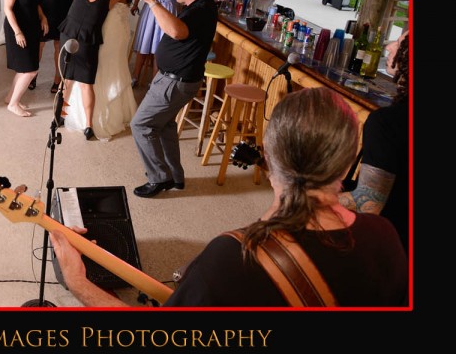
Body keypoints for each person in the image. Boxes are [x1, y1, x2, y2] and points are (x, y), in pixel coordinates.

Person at [51, 86, 407, 307]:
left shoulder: (233, 259)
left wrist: (79, 282)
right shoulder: (385, 237)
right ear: (347, 164)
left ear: (268, 153)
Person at [130, 0, 217, 198]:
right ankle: (176, 177)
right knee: (165, 125)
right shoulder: (202, 2)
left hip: (174, 82)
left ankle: (159, 178)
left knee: (141, 125)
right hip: (178, 79)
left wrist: (150, 0)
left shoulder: (200, 10)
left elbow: (177, 31)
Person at [339, 30, 409, 252]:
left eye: (400, 43)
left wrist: (310, 197)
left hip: (391, 247)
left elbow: (367, 204)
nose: (389, 47)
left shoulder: (387, 123)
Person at [65, 0, 140, 140]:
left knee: (99, 68)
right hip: (116, 27)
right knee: (112, 67)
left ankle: (92, 116)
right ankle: (106, 114)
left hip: (106, 28)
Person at [59, 0, 118, 140]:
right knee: (86, 84)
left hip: (69, 35)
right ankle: (88, 125)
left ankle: (60, 115)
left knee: (66, 79)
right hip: (88, 41)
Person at [130, 0, 188, 87]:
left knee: (144, 43)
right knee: (160, 47)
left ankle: (135, 77)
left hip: (151, 9)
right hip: (168, 11)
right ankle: (154, 81)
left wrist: (135, 4)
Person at [3, 0, 48, 117]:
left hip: (32, 28)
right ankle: (13, 104)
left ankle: (10, 98)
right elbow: (8, 9)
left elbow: (35, 2)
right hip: (18, 28)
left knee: (24, 69)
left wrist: (43, 17)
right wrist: (17, 32)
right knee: (30, 70)